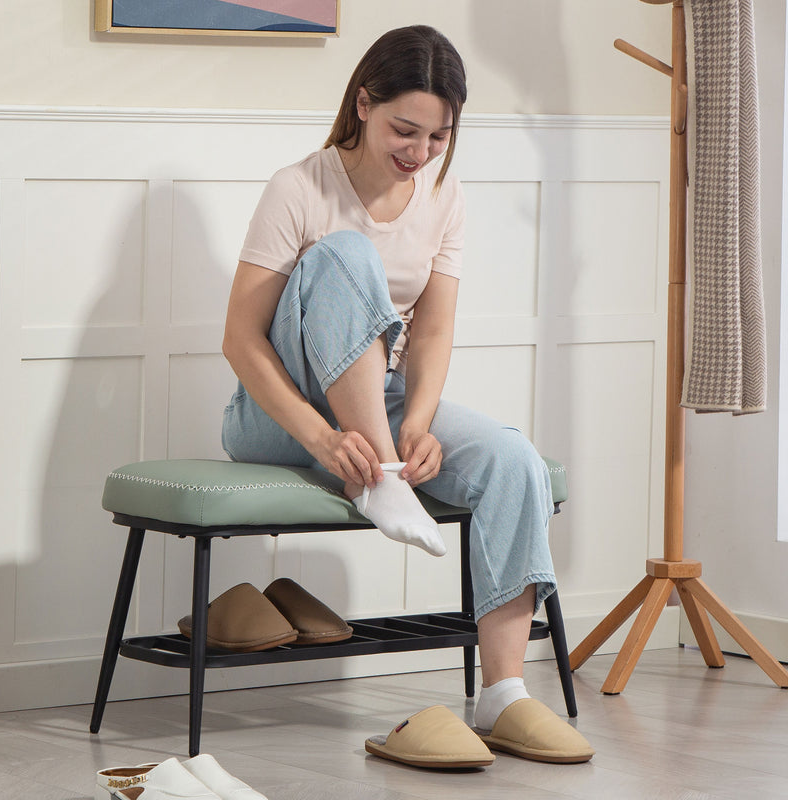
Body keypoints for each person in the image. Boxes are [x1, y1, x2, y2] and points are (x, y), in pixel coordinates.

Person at [222, 25, 593, 764]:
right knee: (346, 255)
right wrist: (325, 439)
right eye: (404, 129)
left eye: (438, 136)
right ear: (363, 103)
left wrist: (418, 423)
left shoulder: (443, 197)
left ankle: (504, 693)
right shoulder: (300, 188)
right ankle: (382, 481)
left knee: (512, 460)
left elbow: (430, 334)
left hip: (381, 402)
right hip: (278, 412)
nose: (419, 152)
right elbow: (240, 339)